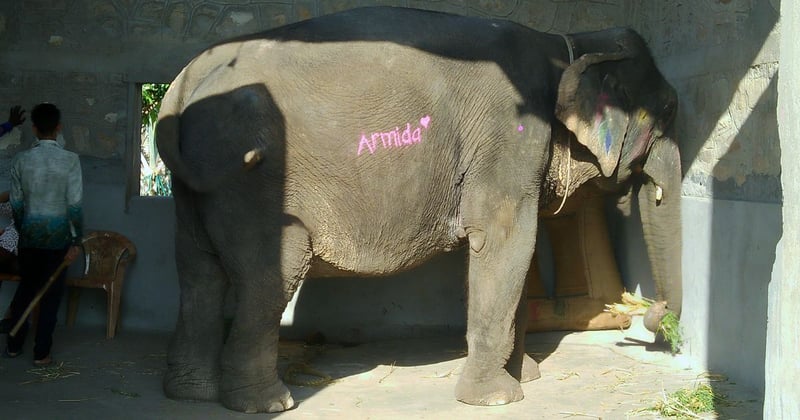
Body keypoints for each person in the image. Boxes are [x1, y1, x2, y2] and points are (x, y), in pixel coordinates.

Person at [3, 103, 82, 366]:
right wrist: (75, 242)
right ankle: (41, 353)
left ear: (34, 129)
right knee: (51, 298)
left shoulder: (21, 161)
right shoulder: (70, 160)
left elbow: (15, 205)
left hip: (30, 239)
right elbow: (75, 206)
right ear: (58, 128)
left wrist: (25, 230)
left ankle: (13, 346)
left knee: (26, 290)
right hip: (58, 240)